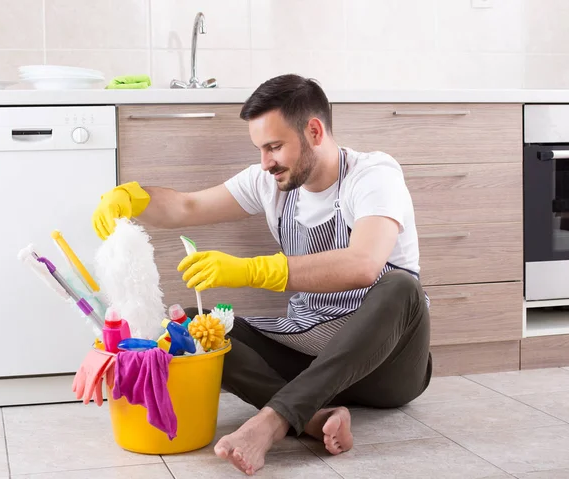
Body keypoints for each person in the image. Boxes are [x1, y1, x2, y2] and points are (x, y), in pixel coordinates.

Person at [92, 74, 432, 476]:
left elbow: (363, 264)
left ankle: (273, 422)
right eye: (260, 149)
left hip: (387, 365)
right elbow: (186, 207)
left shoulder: (373, 176)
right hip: (312, 348)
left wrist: (252, 270)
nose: (265, 162)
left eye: (274, 147)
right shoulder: (270, 182)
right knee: (202, 329)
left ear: (315, 131)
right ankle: (314, 417)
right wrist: (133, 198)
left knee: (401, 287)